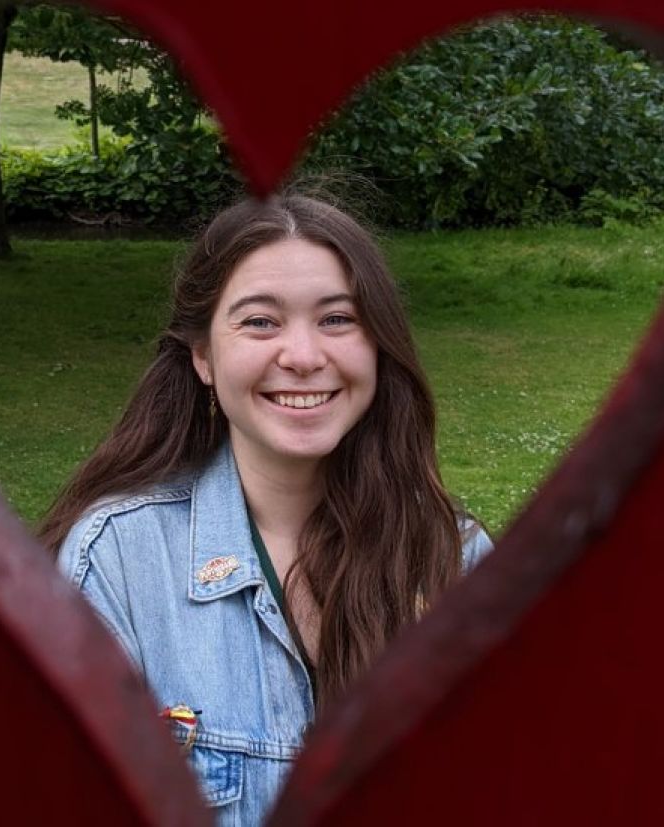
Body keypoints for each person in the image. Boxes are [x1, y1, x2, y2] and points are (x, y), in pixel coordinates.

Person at [42, 193, 491, 825]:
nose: (304, 356)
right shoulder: (119, 560)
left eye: (338, 319)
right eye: (260, 322)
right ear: (203, 356)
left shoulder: (455, 559)